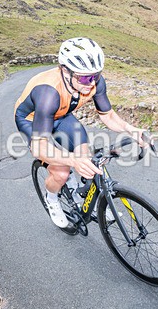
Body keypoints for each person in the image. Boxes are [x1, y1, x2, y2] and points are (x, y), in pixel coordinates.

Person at [14, 37, 148, 228]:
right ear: (65, 71)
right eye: (85, 77)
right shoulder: (48, 93)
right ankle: (51, 199)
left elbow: (108, 115)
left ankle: (81, 196)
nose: (91, 83)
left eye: (95, 75)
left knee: (86, 156)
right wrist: (72, 161)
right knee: (61, 172)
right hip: (32, 120)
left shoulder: (94, 82)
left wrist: (131, 130)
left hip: (61, 115)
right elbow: (39, 148)